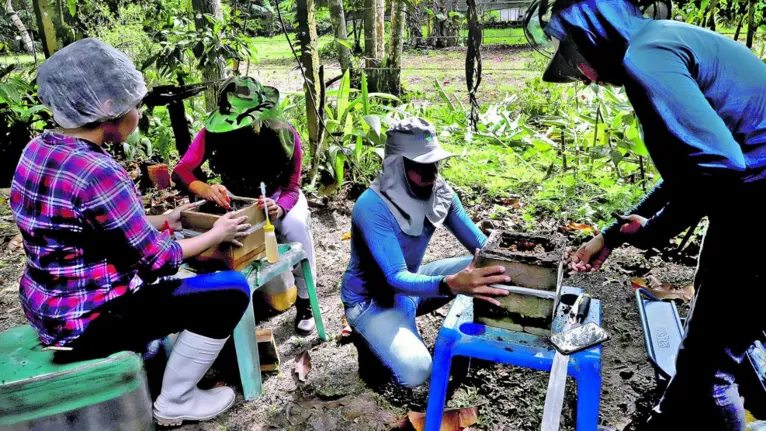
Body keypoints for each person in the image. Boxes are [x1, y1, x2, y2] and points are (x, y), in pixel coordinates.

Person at [525, 0, 766, 429]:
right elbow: (690, 168)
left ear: (593, 35)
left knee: (711, 372)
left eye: (578, 59)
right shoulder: (661, 39)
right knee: (712, 342)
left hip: (757, 216)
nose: (583, 74)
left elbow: (721, 166)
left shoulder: (646, 57)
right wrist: (613, 234)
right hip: (745, 211)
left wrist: (653, 232)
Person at [10, 38, 253, 426]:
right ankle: (177, 400)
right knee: (231, 291)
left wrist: (165, 220)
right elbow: (159, 261)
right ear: (108, 109)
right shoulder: (99, 171)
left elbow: (89, 230)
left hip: (49, 308)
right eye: (135, 104)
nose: (139, 112)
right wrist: (215, 232)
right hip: (90, 322)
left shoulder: (38, 149)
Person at [340, 117, 511, 388]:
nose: (430, 173)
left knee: (494, 271)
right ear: (397, 165)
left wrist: (516, 259)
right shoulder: (371, 206)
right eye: (420, 166)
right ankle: (368, 338)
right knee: (417, 373)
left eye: (434, 163)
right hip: (372, 302)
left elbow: (480, 246)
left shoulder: (441, 193)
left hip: (413, 283)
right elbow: (395, 276)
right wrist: (449, 284)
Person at [172, 77, 317, 335]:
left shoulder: (285, 134)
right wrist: (205, 189)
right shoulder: (211, 134)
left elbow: (292, 187)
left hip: (275, 198)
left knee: (294, 226)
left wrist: (280, 207)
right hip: (237, 201)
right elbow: (182, 170)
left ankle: (306, 301)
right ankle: (232, 302)